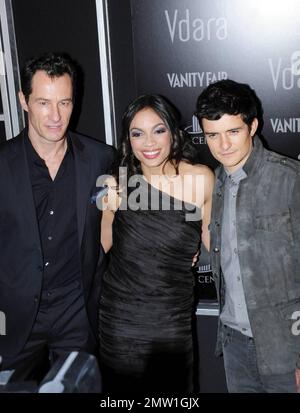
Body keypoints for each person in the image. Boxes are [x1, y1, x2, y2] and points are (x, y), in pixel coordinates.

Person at [0, 52, 113, 380]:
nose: (55, 116)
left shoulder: (100, 159)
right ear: (24, 100)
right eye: (44, 103)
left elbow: (120, 221)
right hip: (14, 319)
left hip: (76, 318)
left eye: (64, 103)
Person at [98, 94, 214, 392]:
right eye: (138, 133)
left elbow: (214, 246)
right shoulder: (117, 184)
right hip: (120, 320)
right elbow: (102, 248)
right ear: (128, 139)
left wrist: (193, 252)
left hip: (171, 321)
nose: (148, 143)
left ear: (173, 132)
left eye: (158, 130)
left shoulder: (199, 179)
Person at [196, 79, 300, 393]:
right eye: (213, 134)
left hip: (286, 348)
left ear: (252, 126)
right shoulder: (212, 184)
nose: (223, 145)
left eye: (233, 131)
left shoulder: (290, 180)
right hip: (234, 347)